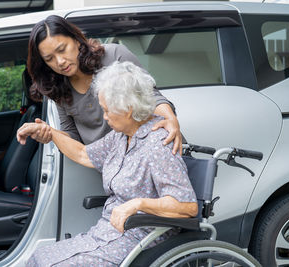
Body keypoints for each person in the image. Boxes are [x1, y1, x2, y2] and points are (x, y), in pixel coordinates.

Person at [18, 61, 198, 267]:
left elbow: (187, 206)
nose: (104, 117)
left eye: (107, 110)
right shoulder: (120, 137)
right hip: (106, 234)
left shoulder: (158, 145)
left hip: (140, 238)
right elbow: (83, 154)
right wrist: (50, 134)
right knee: (40, 257)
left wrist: (138, 204)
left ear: (128, 109)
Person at [25, 14, 183, 155]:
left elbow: (151, 97)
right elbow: (73, 137)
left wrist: (170, 118)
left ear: (76, 40)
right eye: (49, 58)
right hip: (119, 169)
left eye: (62, 49)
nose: (59, 62)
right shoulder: (58, 88)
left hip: (156, 153)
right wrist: (50, 134)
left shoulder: (114, 55)